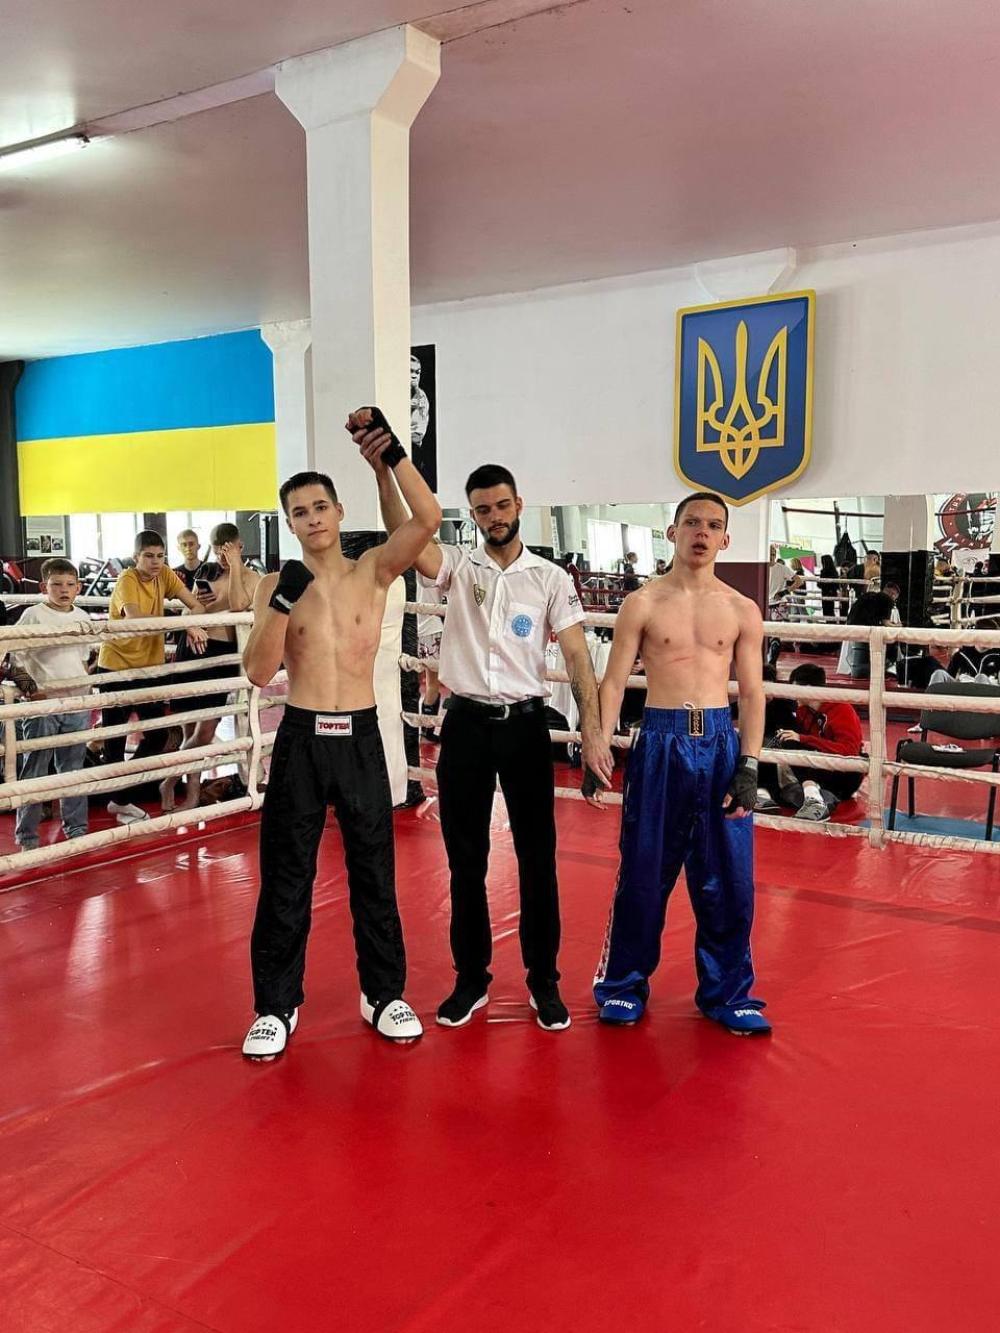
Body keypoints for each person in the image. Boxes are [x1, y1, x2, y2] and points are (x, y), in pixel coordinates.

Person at [365, 447, 613, 1033]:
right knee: (465, 860)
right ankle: (471, 978)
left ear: (518, 505)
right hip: (466, 727)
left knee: (538, 861)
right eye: (483, 509)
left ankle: (544, 982)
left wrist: (593, 732)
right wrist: (384, 471)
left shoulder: (551, 578)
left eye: (502, 506)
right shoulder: (457, 566)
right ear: (472, 514)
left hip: (526, 727)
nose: (494, 516)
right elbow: (406, 535)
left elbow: (578, 659)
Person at [241, 406, 442, 1060]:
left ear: (337, 510)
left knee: (374, 872)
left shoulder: (373, 570)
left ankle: (383, 995)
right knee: (286, 877)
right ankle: (276, 1004)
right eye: (299, 512)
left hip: (359, 735)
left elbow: (427, 520)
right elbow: (258, 671)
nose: (313, 518)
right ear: (290, 523)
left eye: (321, 506)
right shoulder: (275, 584)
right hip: (301, 737)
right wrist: (281, 603)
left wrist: (391, 455)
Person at [592, 491, 769, 1035]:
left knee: (729, 878)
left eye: (713, 525)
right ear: (672, 532)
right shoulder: (642, 603)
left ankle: (728, 993)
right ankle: (622, 985)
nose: (702, 532)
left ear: (725, 539)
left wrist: (750, 764)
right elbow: (614, 681)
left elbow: (753, 693)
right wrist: (597, 742)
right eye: (692, 522)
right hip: (661, 740)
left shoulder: (741, 609)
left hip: (718, 743)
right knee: (643, 871)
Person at [94, 531, 208, 823]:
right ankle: (119, 799)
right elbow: (135, 620)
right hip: (117, 666)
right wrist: (183, 625)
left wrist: (190, 620)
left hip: (149, 667)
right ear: (136, 557)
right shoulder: (127, 579)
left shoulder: (164, 574)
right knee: (115, 739)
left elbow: (196, 605)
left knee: (158, 735)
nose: (156, 561)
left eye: (160, 556)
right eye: (149, 556)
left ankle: (121, 796)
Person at [160, 522, 261, 811]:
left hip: (222, 655)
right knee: (189, 728)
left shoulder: (254, 579)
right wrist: (195, 621)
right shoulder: (206, 573)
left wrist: (236, 566)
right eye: (218, 552)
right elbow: (193, 609)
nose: (222, 558)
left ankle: (168, 780)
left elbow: (239, 605)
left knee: (204, 733)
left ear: (239, 548)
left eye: (227, 552)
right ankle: (192, 794)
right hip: (194, 649)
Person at [10, 559, 95, 850]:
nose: (63, 590)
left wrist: (86, 690)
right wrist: (30, 689)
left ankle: (77, 830)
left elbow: (83, 658)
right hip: (43, 704)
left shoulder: (82, 615)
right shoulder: (33, 615)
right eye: (56, 584)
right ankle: (27, 837)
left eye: (70, 584)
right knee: (35, 769)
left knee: (73, 769)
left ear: (78, 587)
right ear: (44, 586)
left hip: (76, 703)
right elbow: (12, 657)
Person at [755, 663, 864, 821]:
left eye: (795, 689)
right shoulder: (803, 711)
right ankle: (808, 796)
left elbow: (849, 751)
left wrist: (804, 739)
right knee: (785, 739)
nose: (793, 694)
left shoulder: (841, 709)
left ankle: (814, 798)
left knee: (793, 741)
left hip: (846, 774)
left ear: (807, 688)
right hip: (820, 770)